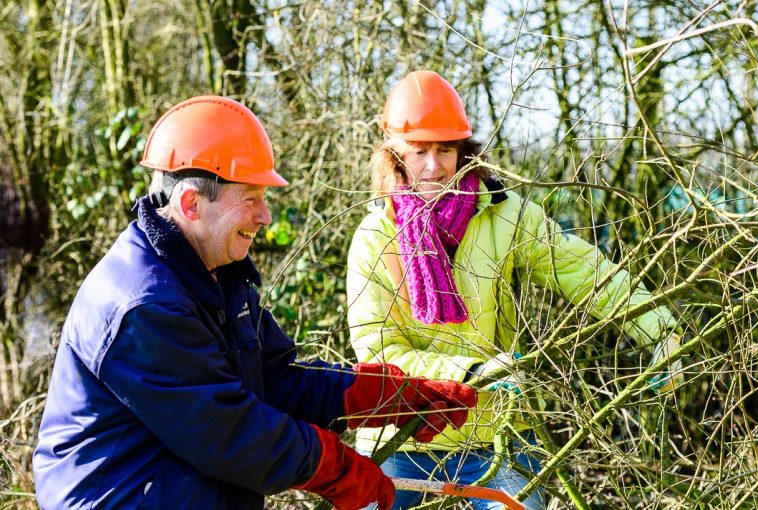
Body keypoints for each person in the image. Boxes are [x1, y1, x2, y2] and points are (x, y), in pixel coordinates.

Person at [32, 95, 478, 510]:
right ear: (191, 203)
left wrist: (386, 394)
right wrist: (333, 466)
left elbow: (276, 381)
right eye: (251, 199)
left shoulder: (216, 275)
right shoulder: (144, 306)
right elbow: (227, 431)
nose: (265, 216)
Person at [346, 70, 684, 509]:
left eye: (445, 149)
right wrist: (472, 373)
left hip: (496, 432)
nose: (434, 165)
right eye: (419, 150)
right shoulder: (375, 236)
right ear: (393, 154)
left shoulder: (506, 216)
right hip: (403, 438)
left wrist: (661, 331)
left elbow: (585, 271)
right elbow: (379, 353)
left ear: (463, 151)